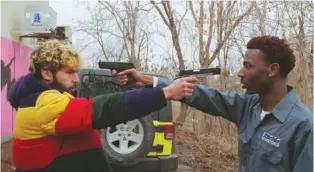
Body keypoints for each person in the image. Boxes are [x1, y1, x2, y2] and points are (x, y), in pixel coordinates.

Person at [118, 36, 313, 172]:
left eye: (248, 66)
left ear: (272, 70)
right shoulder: (248, 106)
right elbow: (206, 96)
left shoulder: (303, 126)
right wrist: (149, 80)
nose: (240, 73)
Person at [7, 39, 199, 172]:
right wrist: (164, 93)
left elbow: (84, 107)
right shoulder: (44, 103)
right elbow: (101, 109)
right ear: (47, 73)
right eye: (70, 72)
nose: (76, 80)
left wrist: (133, 85)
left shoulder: (37, 100)